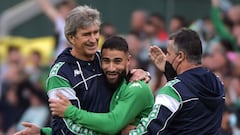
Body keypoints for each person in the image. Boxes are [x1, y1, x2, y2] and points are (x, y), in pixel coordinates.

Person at [14, 5, 150, 135]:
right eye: (86, 34)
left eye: (95, 32)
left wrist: (138, 73)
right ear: (71, 38)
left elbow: (122, 79)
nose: (93, 39)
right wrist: (115, 131)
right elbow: (68, 129)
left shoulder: (103, 59)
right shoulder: (60, 75)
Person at [48, 36, 154, 135]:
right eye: (106, 61)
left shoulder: (137, 88)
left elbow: (112, 124)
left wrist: (71, 112)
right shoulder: (114, 86)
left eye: (117, 61)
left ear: (128, 60)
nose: (111, 68)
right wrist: (44, 132)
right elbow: (102, 128)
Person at [128, 28, 225, 134]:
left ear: (180, 56)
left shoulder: (171, 91)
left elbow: (151, 130)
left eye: (169, 54)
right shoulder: (218, 83)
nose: (167, 58)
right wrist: (169, 71)